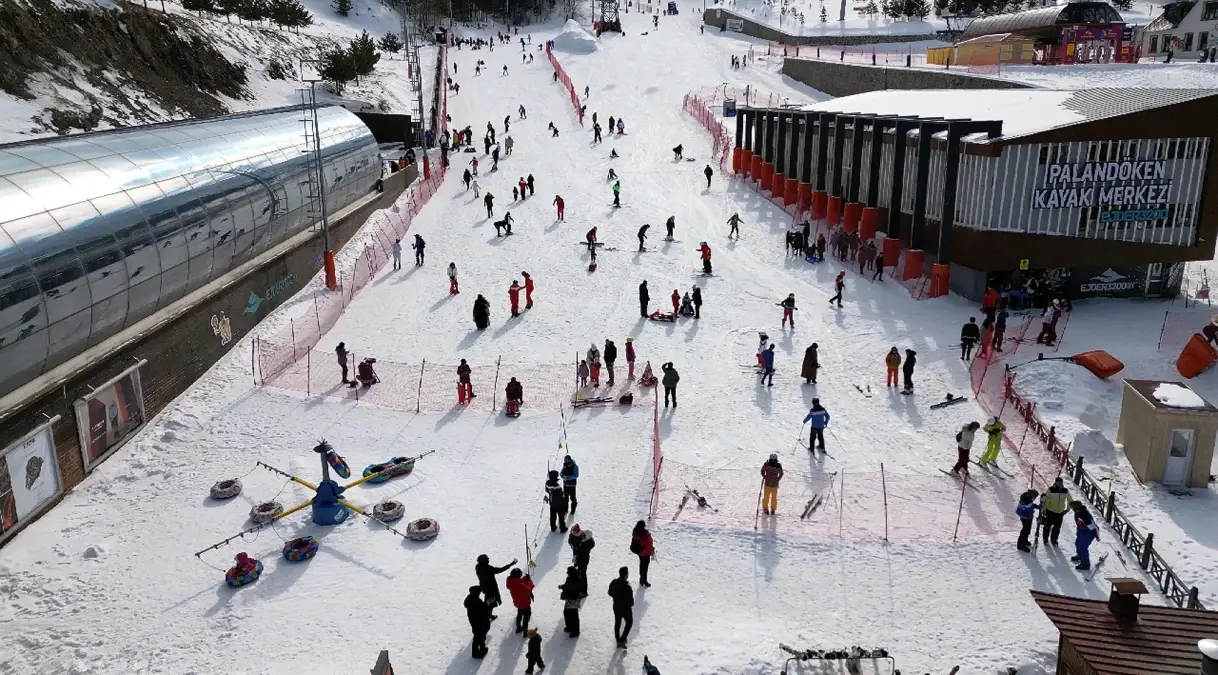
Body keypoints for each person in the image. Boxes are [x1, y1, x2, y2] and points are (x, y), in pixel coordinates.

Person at [608, 566, 634, 648]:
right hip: (626, 609)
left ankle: (618, 640)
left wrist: (615, 598)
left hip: (616, 607)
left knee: (617, 623)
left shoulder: (614, 582)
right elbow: (631, 602)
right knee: (629, 622)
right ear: (626, 575)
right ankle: (622, 639)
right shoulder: (627, 587)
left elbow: (609, 592)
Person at [1040, 476, 1070, 546]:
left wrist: (1067, 509)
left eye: (1061, 482)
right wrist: (1044, 510)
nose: (1060, 484)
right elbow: (1046, 500)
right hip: (1050, 511)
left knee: (1057, 527)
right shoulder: (1051, 490)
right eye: (1058, 482)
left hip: (1060, 513)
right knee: (1047, 526)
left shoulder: (1065, 491)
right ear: (1055, 482)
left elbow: (1070, 500)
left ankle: (1054, 540)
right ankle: (1045, 539)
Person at [1071, 501, 1100, 570]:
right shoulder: (1078, 512)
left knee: (1083, 547)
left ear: (1075, 508)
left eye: (1072, 507)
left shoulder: (1084, 515)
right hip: (1082, 531)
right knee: (1077, 543)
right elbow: (1079, 523)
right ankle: (1080, 556)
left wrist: (1097, 536)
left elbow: (1093, 526)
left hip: (1088, 533)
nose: (1071, 509)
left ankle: (1086, 564)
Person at [567, 525, 595, 596]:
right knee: (580, 574)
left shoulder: (583, 538)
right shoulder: (575, 540)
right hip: (580, 558)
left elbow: (591, 543)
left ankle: (583, 591)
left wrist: (582, 542)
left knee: (582, 574)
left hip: (582, 559)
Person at [465, 586, 491, 659]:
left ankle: (475, 652)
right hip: (479, 621)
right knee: (481, 636)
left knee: (477, 636)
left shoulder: (471, 598)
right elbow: (482, 610)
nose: (480, 593)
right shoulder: (475, 601)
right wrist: (487, 605)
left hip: (474, 621)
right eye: (479, 592)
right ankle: (481, 652)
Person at [506, 568, 535, 634]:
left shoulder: (511, 582)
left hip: (518, 603)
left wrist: (525, 578)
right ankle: (525, 632)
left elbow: (519, 581)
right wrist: (529, 581)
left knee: (519, 615)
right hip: (525, 604)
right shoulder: (521, 585)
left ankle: (518, 627)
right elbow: (528, 589)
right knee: (526, 618)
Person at [559, 566, 583, 637]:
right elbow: (567, 586)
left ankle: (575, 631)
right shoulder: (575, 578)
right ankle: (570, 627)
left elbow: (568, 587)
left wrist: (563, 588)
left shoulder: (573, 579)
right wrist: (562, 587)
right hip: (571, 598)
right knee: (568, 613)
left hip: (573, 598)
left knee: (573, 615)